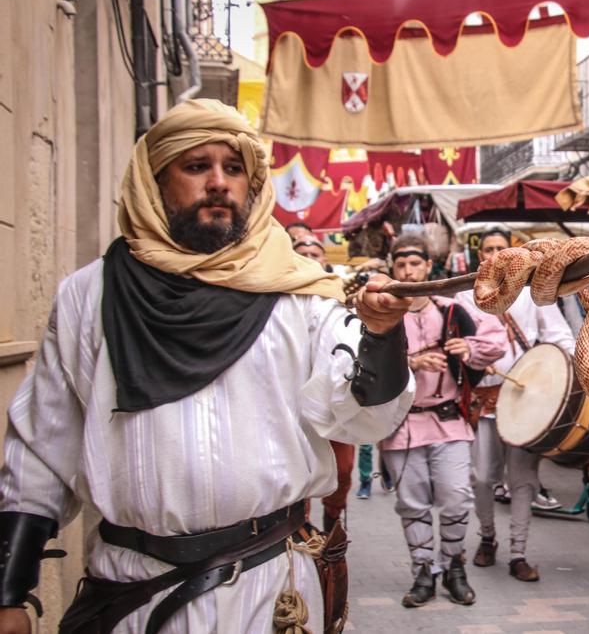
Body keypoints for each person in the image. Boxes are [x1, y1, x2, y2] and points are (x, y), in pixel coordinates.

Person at [0, 99, 414, 633]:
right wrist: (11, 590)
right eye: (197, 167)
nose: (219, 182)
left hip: (269, 593)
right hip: (133, 589)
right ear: (155, 184)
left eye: (234, 168)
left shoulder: (301, 295)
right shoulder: (89, 297)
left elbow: (362, 417)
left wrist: (381, 335)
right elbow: (41, 448)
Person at [382, 234, 505, 608]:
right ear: (393, 269)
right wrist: (409, 362)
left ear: (427, 267)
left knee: (456, 499)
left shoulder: (451, 310)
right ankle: (424, 572)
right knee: (412, 503)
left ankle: (453, 567)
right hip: (401, 426)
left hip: (449, 421)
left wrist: (468, 348)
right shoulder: (383, 318)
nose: (408, 270)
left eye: (414, 263)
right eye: (401, 264)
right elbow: (361, 367)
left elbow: (495, 344)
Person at [454, 228, 576, 582]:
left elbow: (560, 338)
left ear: (514, 253)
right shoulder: (464, 295)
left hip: (527, 400)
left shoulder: (532, 292)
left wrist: (555, 376)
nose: (495, 255)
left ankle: (519, 552)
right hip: (483, 400)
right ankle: (488, 537)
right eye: (488, 249)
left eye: (501, 248)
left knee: (523, 481)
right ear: (480, 256)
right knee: (481, 478)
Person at [289, 234, 357, 533]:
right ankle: (298, 528)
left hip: (333, 401)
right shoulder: (280, 299)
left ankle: (333, 515)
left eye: (315, 253)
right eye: (301, 252)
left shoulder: (340, 297)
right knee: (295, 468)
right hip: (290, 403)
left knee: (342, 471)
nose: (309, 257)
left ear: (324, 260)